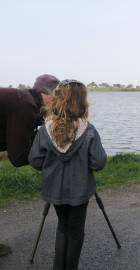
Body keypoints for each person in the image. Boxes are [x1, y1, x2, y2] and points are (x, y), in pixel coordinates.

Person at [28, 79, 107, 270]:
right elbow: (98, 162)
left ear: (57, 101)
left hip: (54, 191)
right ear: (82, 102)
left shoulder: (46, 130)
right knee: (76, 231)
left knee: (63, 225)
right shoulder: (88, 131)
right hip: (79, 192)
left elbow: (35, 160)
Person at [0, 74, 60, 257]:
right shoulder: (25, 105)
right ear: (47, 94)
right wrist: (50, 157)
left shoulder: (23, 100)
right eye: (58, 98)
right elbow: (18, 158)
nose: (58, 105)